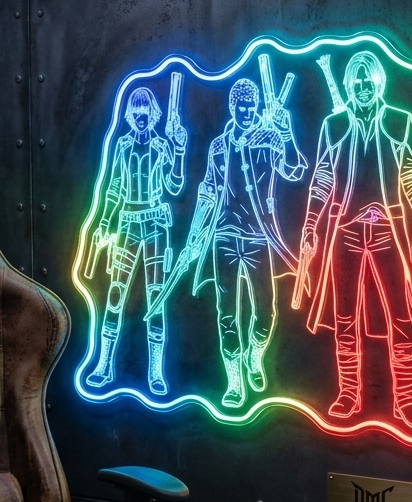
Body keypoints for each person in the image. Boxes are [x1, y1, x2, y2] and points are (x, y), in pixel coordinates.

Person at [295, 50, 412, 429]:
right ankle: (348, 394)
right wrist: (310, 225)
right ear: (348, 85)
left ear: (379, 82)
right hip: (346, 231)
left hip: (389, 231)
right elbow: (322, 178)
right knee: (344, 316)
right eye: (356, 81)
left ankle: (406, 400)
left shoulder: (399, 122)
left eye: (368, 80)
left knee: (401, 315)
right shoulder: (335, 125)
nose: (362, 87)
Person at [180, 76, 306, 408]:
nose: (247, 112)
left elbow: (295, 171)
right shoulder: (219, 146)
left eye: (251, 107)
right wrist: (193, 239)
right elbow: (207, 192)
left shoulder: (270, 138)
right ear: (232, 107)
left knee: (265, 312)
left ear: (257, 107)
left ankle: (255, 355)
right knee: (226, 312)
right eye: (241, 107)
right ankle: (235, 381)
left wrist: (287, 134)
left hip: (258, 238)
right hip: (224, 237)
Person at [84, 85, 187, 396]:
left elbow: (174, 184)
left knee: (156, 297)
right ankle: (104, 365)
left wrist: (179, 151)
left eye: (145, 112)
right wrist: (104, 223)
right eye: (136, 112)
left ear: (153, 114)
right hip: (128, 223)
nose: (141, 117)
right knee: (115, 293)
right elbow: (114, 188)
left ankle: (156, 371)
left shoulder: (162, 146)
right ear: (130, 114)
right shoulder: (123, 145)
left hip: (155, 224)